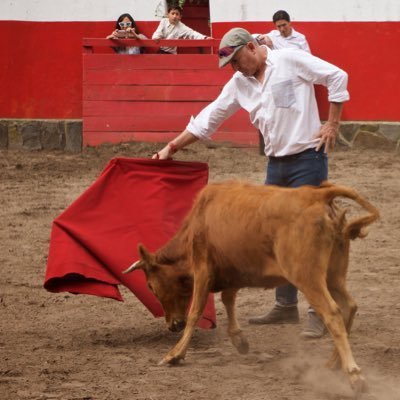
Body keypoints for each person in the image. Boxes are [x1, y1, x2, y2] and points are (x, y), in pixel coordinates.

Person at [152, 27, 349, 338]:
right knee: (274, 236)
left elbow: (338, 76)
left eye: (235, 60)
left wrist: (332, 124)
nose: (235, 68)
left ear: (250, 48)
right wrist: (171, 147)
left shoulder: (290, 59)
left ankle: (319, 311)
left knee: (308, 236)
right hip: (276, 166)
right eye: (230, 64)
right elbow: (209, 118)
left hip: (308, 160)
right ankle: (285, 306)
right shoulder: (239, 83)